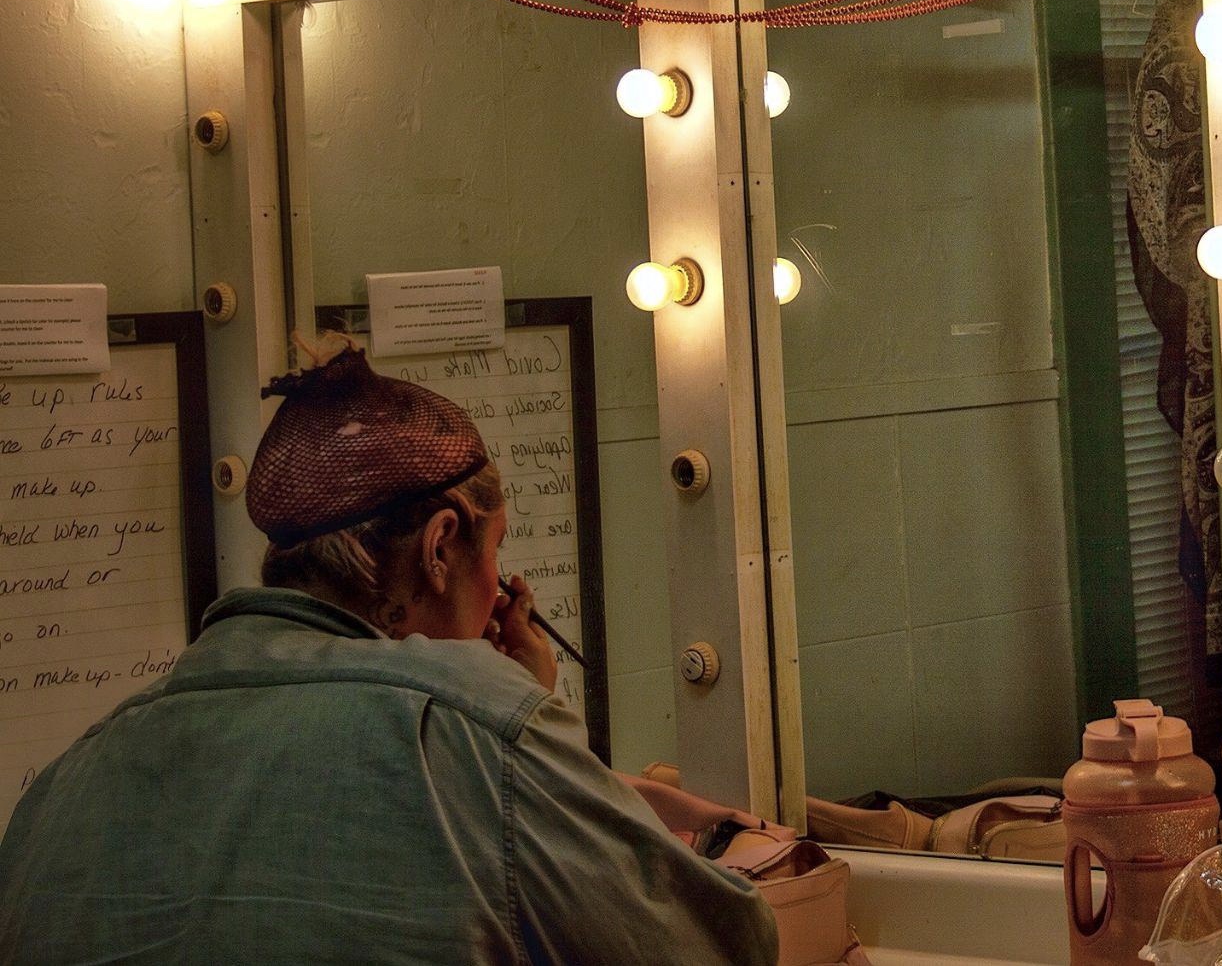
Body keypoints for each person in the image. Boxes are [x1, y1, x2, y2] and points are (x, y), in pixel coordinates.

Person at [0, 337, 777, 965]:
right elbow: (721, 946)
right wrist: (533, 713)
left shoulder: (67, 779)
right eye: (494, 551)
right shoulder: (475, 727)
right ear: (441, 546)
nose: (501, 588)